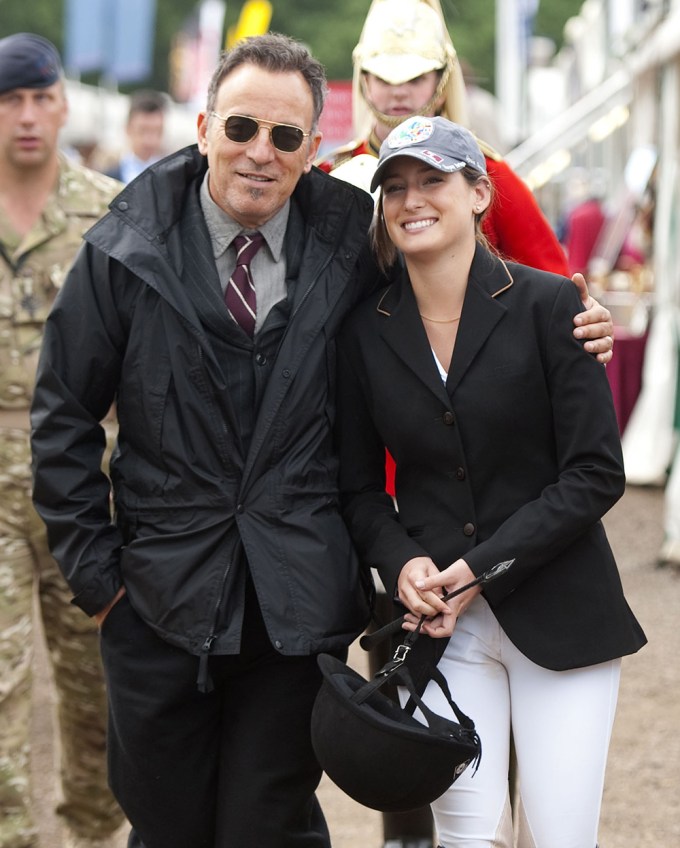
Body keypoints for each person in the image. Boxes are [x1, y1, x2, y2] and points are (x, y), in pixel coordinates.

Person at [29, 33, 614, 848]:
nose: (259, 154)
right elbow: (62, 416)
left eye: (286, 137)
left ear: (313, 147)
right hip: (157, 601)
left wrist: (569, 323)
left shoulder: (353, 239)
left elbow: (458, 307)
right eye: (240, 129)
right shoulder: (125, 246)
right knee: (165, 828)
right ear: (202, 129)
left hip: (295, 604)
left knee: (268, 827)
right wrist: (101, 582)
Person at [335, 116, 647, 848]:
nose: (412, 199)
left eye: (433, 180)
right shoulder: (362, 332)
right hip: (445, 629)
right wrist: (401, 561)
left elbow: (596, 474)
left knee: (559, 837)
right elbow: (356, 489)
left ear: (479, 193)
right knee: (464, 841)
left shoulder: (554, 306)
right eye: (397, 187)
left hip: (562, 615)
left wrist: (480, 568)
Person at [0, 33, 125, 848]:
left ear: (63, 103)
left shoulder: (108, 211)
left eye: (41, 98)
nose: (27, 117)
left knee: (97, 692)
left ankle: (93, 832)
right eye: (10, 101)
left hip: (87, 486)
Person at [317, 0, 570, 278]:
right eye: (384, 79)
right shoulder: (330, 173)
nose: (399, 92)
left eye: (415, 79)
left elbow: (552, 285)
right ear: (365, 82)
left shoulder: (490, 173)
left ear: (441, 84)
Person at [105, 89, 167, 184]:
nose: (150, 141)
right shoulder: (108, 177)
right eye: (143, 131)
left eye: (157, 132)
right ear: (128, 129)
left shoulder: (173, 180)